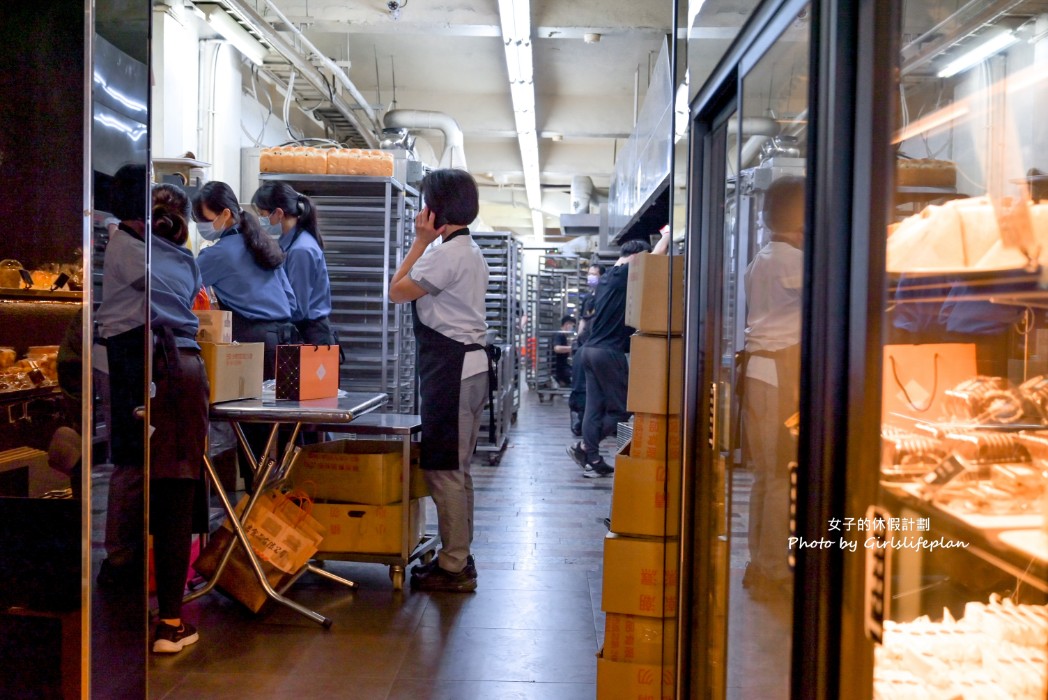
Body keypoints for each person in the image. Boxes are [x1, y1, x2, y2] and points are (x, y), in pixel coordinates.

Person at [389, 168, 490, 593]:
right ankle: (458, 555)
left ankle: (453, 566)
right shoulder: (464, 250)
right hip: (465, 367)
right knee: (457, 470)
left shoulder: (446, 253)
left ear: (435, 208)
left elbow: (396, 291)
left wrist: (419, 240)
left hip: (452, 371)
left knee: (445, 469)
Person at [192, 181, 296, 484]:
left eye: (204, 218)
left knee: (250, 435)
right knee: (277, 434)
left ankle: (253, 515)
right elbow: (290, 300)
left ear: (225, 214)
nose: (201, 225)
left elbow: (182, 289)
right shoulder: (263, 244)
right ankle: (273, 510)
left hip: (251, 345)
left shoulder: (217, 254)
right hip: (284, 342)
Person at [146, 183, 211, 652]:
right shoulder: (185, 262)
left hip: (138, 368)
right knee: (174, 493)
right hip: (178, 371)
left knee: (136, 489)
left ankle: (123, 608)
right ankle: (169, 621)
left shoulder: (123, 252)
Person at [739, 175, 804, 598]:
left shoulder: (760, 258)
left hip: (757, 376)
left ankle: (759, 563)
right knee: (781, 475)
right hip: (779, 378)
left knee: (766, 476)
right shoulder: (793, 262)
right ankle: (774, 571)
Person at [566, 233, 669, 477]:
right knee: (622, 409)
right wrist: (666, 236)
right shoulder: (624, 276)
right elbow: (656, 257)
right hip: (607, 352)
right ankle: (584, 447)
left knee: (594, 408)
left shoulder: (606, 278)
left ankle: (591, 457)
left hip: (588, 351)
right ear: (636, 258)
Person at [250, 181, 337, 346]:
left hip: (311, 337)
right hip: (303, 332)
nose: (260, 220)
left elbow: (297, 307)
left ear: (279, 213)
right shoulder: (287, 242)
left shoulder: (301, 250)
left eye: (262, 214)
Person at [568, 264, 603, 436]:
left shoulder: (606, 296)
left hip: (598, 344)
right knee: (581, 383)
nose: (591, 277)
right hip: (585, 344)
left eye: (594, 274)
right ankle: (581, 419)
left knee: (595, 385)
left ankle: (593, 422)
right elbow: (583, 319)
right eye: (589, 274)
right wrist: (578, 337)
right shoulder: (588, 298)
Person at [551, 314, 575, 387]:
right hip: (559, 369)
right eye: (572, 325)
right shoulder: (559, 335)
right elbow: (557, 348)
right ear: (567, 324)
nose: (572, 328)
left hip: (563, 366)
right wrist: (572, 348)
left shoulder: (564, 336)